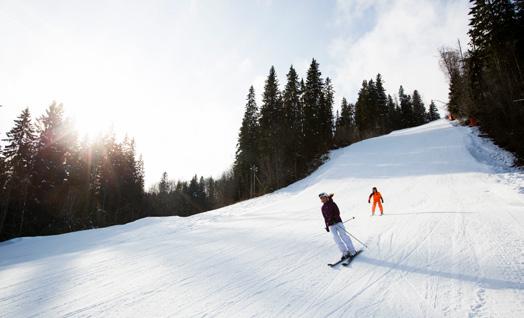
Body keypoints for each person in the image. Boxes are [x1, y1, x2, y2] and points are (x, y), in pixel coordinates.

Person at [319, 192, 356, 260]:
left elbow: (337, 212)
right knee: (336, 239)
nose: (322, 199)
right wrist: (327, 226)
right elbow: (325, 218)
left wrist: (333, 218)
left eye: (323, 198)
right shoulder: (323, 207)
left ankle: (352, 251)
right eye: (321, 198)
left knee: (343, 236)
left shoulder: (332, 204)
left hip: (337, 222)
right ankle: (345, 252)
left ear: (326, 197)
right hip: (331, 225)